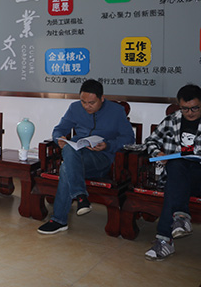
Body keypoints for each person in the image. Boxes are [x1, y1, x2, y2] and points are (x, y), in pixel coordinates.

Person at [37, 79, 135, 234]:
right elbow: (59, 129)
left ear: (102, 98)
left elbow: (129, 138)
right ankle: (81, 196)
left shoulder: (116, 111)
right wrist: (59, 138)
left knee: (66, 167)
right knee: (68, 155)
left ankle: (60, 219)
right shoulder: (75, 108)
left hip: (101, 159)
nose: (87, 106)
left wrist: (107, 145)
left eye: (91, 103)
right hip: (77, 154)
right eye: (83, 102)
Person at [144, 84, 201, 261]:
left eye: (195, 108)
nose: (190, 113)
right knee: (176, 166)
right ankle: (180, 218)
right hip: (176, 176)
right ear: (179, 106)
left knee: (175, 183)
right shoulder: (172, 120)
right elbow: (150, 141)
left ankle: (165, 241)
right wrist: (157, 153)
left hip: (198, 178)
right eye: (185, 108)